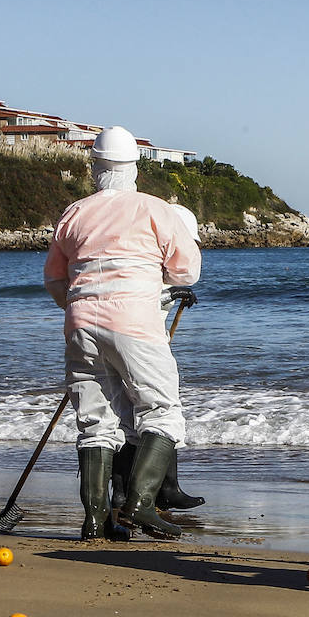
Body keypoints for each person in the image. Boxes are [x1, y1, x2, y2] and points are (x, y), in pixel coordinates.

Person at [43, 126, 201, 540]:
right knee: (162, 411)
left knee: (95, 422)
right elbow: (187, 270)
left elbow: (55, 280)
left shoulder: (74, 212)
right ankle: (141, 503)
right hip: (135, 323)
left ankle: (96, 519)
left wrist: (82, 310)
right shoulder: (153, 208)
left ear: (95, 166)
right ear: (133, 168)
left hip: (80, 324)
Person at [108, 205, 204, 514]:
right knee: (159, 411)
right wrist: (171, 295)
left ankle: (151, 490)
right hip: (133, 346)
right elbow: (137, 295)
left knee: (136, 416)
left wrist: (175, 295)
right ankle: (154, 490)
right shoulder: (144, 261)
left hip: (134, 343)